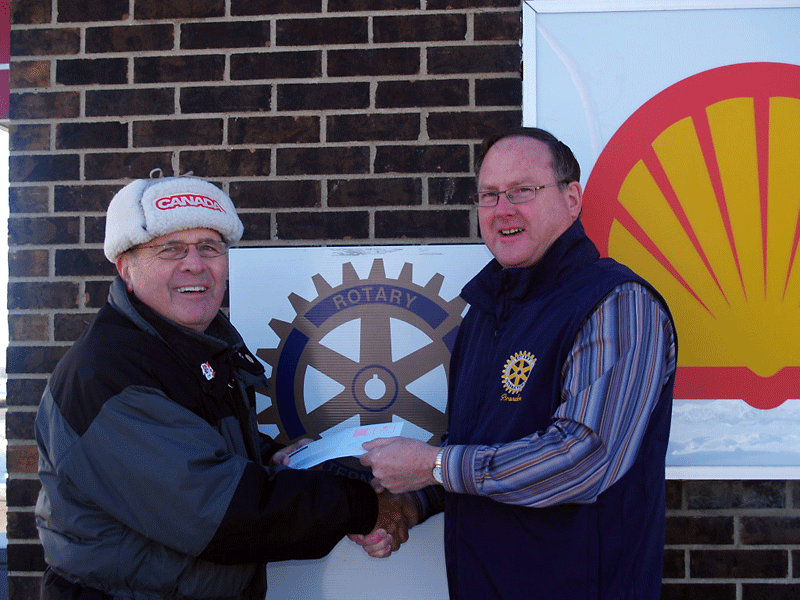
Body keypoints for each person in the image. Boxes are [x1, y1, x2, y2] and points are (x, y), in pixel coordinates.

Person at [34, 173, 410, 600]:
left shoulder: (191, 349)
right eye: (170, 248)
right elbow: (216, 511)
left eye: (209, 247)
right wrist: (363, 507)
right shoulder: (108, 373)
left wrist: (273, 459)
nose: (195, 264)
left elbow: (197, 450)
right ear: (126, 268)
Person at [354, 127, 678, 599]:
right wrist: (413, 501)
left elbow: (583, 460)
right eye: (489, 195)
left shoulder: (616, 304)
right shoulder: (484, 314)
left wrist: (436, 466)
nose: (502, 209)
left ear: (572, 199)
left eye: (522, 190)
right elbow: (480, 448)